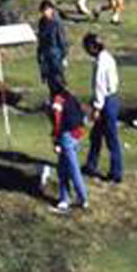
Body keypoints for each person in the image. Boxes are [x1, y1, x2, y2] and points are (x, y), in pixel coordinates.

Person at [81, 34, 123, 183]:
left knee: (111, 138)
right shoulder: (108, 58)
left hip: (106, 102)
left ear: (93, 47)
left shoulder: (101, 62)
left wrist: (97, 108)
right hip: (112, 98)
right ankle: (91, 165)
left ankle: (116, 173)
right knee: (96, 136)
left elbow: (100, 87)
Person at [47, 76, 90, 212]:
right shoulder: (71, 97)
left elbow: (57, 122)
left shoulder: (57, 101)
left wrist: (56, 140)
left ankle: (82, 197)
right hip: (76, 134)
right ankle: (64, 199)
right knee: (62, 169)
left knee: (72, 168)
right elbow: (82, 116)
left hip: (66, 136)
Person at [36, 0, 68, 85]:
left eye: (47, 10)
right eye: (43, 10)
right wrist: (39, 54)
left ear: (52, 10)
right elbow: (40, 39)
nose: (45, 12)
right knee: (48, 78)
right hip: (46, 53)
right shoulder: (42, 22)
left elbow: (62, 39)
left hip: (56, 53)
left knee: (58, 77)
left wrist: (64, 55)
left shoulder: (57, 23)